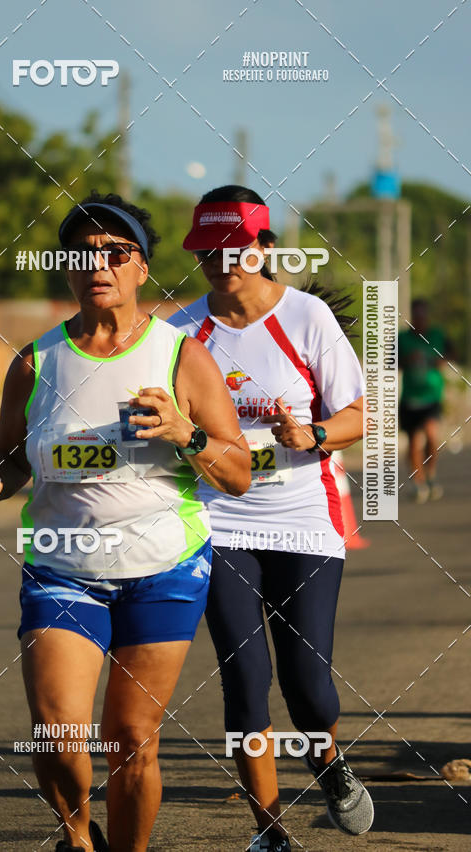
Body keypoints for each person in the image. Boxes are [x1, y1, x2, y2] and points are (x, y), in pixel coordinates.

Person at [0, 192, 250, 852]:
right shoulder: (34, 363)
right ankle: (77, 834)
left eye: (116, 251)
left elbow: (239, 472)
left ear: (142, 269)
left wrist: (186, 433)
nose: (99, 263)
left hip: (164, 569)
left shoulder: (181, 357)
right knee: (58, 730)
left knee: (131, 740)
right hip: (63, 570)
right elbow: (10, 463)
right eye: (83, 252)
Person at [169, 185, 374, 851]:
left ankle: (325, 758)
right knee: (245, 680)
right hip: (220, 523)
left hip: (305, 519)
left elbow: (360, 417)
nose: (222, 261)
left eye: (236, 248)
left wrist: (311, 434)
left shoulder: (307, 319)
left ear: (264, 248)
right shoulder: (180, 332)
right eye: (208, 250)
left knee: (309, 686)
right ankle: (272, 832)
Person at [398, 298, 450, 503]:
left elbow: (451, 354)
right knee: (413, 443)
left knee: (431, 435)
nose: (420, 319)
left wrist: (440, 360)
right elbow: (390, 362)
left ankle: (431, 474)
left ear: (426, 316)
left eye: (423, 315)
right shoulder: (402, 339)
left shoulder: (437, 335)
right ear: (412, 316)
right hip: (410, 398)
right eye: (416, 315)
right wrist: (407, 361)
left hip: (432, 397)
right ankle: (418, 482)